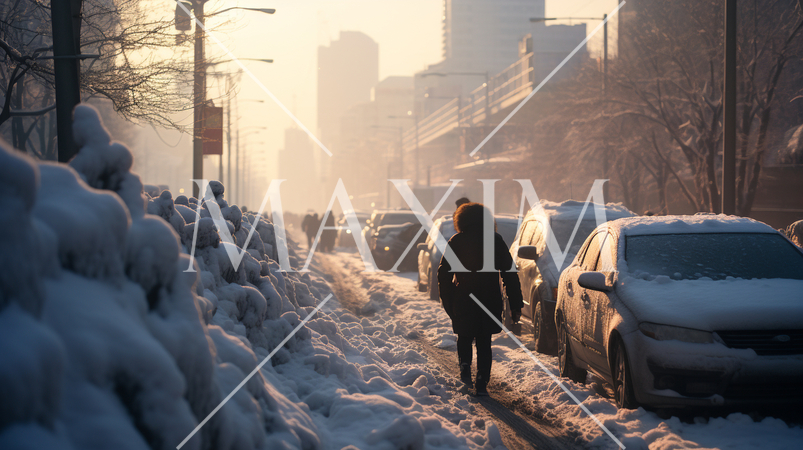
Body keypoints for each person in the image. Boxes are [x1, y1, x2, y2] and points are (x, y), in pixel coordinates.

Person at [438, 202, 523, 396]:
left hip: (463, 299)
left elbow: (443, 274)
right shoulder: (496, 240)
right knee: (484, 341)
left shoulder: (456, 241)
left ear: (461, 220)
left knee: (464, 336)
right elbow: (509, 274)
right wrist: (515, 304)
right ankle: (482, 380)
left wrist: (449, 300)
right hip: (489, 299)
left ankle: (465, 368)